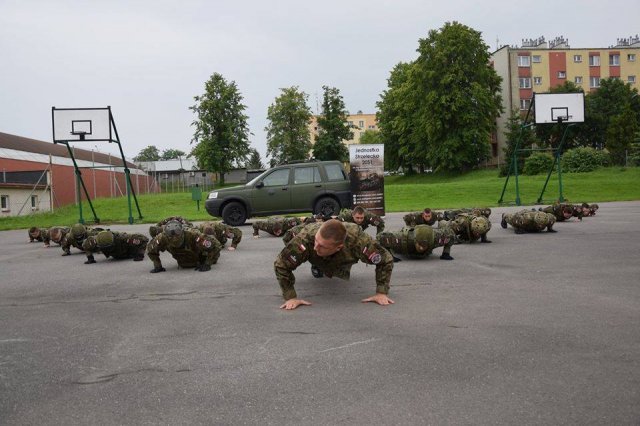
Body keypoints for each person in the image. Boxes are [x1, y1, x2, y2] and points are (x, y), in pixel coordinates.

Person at [274, 219, 394, 310]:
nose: (316, 247)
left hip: (342, 256)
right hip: (306, 236)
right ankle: (317, 263)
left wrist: (381, 293)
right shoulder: (307, 238)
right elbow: (281, 265)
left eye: (322, 246)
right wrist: (290, 297)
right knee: (302, 250)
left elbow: (385, 260)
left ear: (338, 247)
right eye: (317, 241)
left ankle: (326, 262)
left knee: (333, 260)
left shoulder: (358, 241)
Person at [146, 220, 222, 272]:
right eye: (171, 237)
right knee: (185, 264)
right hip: (182, 260)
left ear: (182, 232)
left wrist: (207, 263)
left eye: (177, 235)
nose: (174, 238)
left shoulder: (192, 234)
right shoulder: (162, 237)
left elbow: (216, 245)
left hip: (200, 257)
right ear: (166, 234)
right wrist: (157, 266)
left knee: (212, 256)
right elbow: (150, 250)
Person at [376, 224, 455, 260]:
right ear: (415, 241)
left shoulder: (435, 240)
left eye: (424, 246)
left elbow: (451, 235)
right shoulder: (403, 239)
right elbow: (380, 237)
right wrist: (390, 256)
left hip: (431, 233)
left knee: (445, 226)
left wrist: (446, 253)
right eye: (419, 244)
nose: (421, 248)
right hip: (401, 249)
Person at [83, 230, 149, 264]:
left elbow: (144, 239)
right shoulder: (96, 241)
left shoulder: (123, 238)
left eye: (108, 247)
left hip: (129, 253)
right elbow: (85, 245)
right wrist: (90, 258)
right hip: (116, 255)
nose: (106, 249)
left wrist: (140, 254)